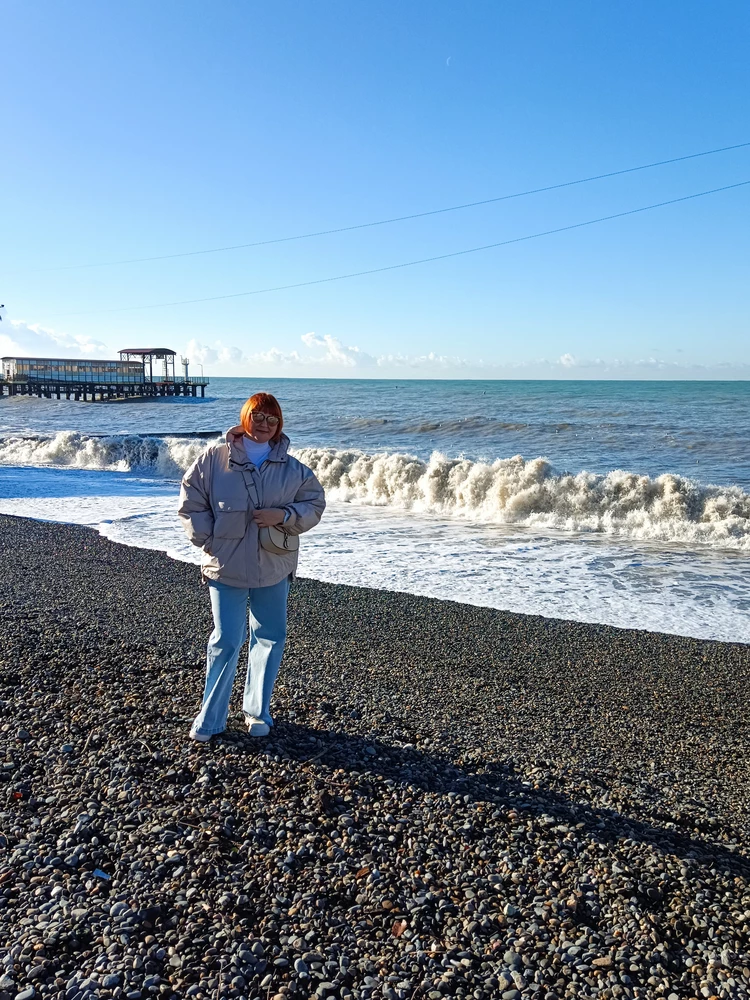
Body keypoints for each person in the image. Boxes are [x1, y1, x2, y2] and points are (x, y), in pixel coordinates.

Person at [178, 392, 325, 741]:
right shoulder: (213, 459)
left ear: (279, 426)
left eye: (272, 419)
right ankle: (210, 718)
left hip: (274, 565)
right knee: (226, 640)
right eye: (258, 416)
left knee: (270, 637)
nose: (264, 424)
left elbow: (315, 503)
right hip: (224, 565)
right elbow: (191, 498)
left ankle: (257, 710)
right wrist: (206, 538)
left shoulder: (293, 468)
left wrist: (285, 515)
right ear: (246, 416)